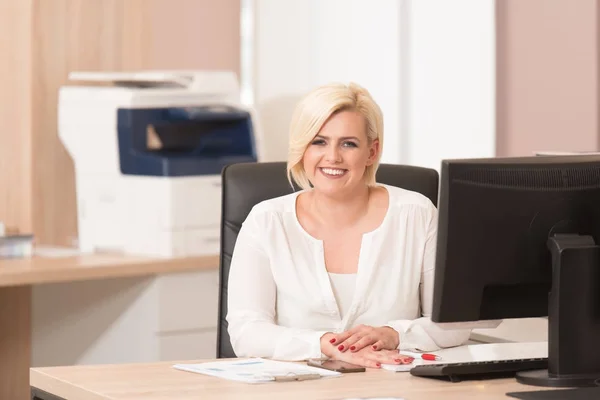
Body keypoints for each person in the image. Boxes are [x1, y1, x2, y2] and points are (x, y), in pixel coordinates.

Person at [226, 82, 470, 368]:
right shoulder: (266, 221)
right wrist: (325, 345)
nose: (332, 157)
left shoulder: (416, 215)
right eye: (319, 141)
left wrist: (395, 334)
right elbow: (246, 332)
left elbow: (453, 323)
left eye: (348, 143)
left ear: (371, 152)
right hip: (296, 389)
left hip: (394, 386)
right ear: (303, 148)